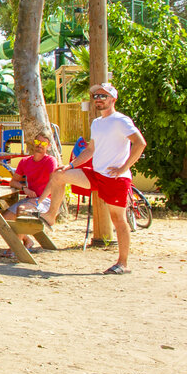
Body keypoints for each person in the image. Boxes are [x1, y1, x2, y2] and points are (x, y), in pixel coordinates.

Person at [36, 83, 146, 274]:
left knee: (118, 220)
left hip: (115, 178)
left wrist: (123, 168)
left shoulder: (121, 120)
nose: (98, 99)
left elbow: (140, 143)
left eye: (103, 96)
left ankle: (123, 263)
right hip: (96, 174)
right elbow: (90, 150)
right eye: (95, 96)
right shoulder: (96, 123)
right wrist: (70, 165)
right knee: (59, 175)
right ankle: (51, 216)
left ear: (113, 99)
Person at [0, 135, 59, 256]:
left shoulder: (50, 161)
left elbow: (53, 183)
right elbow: (13, 182)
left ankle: (16, 248)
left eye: (44, 143)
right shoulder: (25, 161)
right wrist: (24, 188)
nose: (39, 145)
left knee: (22, 210)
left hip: (45, 201)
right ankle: (27, 240)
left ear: (48, 146)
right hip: (30, 199)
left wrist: (39, 200)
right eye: (37, 141)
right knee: (2, 219)